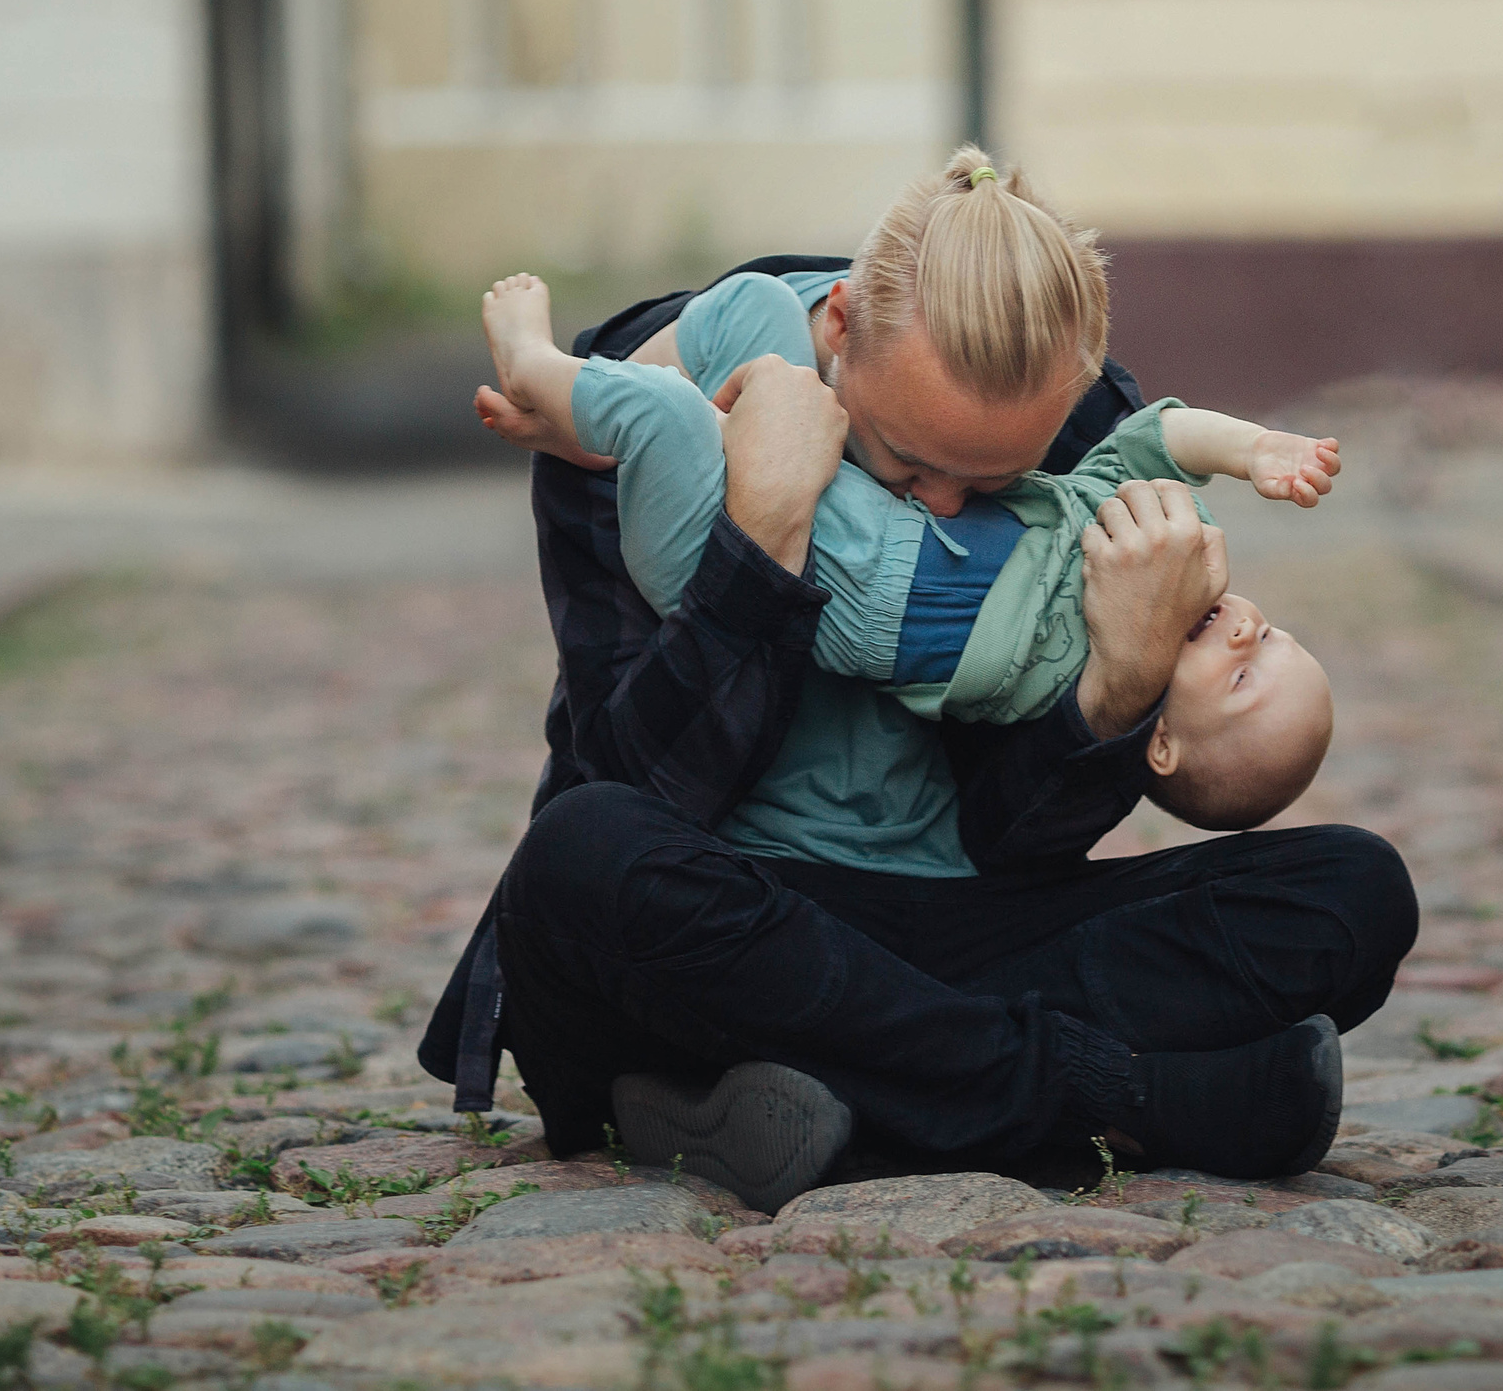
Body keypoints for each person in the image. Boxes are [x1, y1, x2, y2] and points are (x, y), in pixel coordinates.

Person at [419, 148, 1417, 1213]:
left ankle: (809, 1098)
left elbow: (1008, 842)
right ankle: (1125, 1097)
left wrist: (1118, 685)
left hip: (941, 920)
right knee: (582, 853)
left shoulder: (1069, 421)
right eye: (904, 461)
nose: (946, 507)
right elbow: (642, 782)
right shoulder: (613, 416)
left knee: (1352, 892)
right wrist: (758, 540)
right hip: (725, 916)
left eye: (987, 483)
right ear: (840, 325)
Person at [477, 260, 1338, 832]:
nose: (1242, 630)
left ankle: (538, 369)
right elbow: (1149, 442)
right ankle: (584, 433)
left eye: (1242, 675)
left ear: (1160, 746)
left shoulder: (1056, 671)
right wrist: (1254, 447)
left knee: (667, 417)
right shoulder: (1127, 547)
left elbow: (1011, 804)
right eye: (1269, 634)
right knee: (757, 303)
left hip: (729, 557)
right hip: (791, 473)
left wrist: (1123, 672)